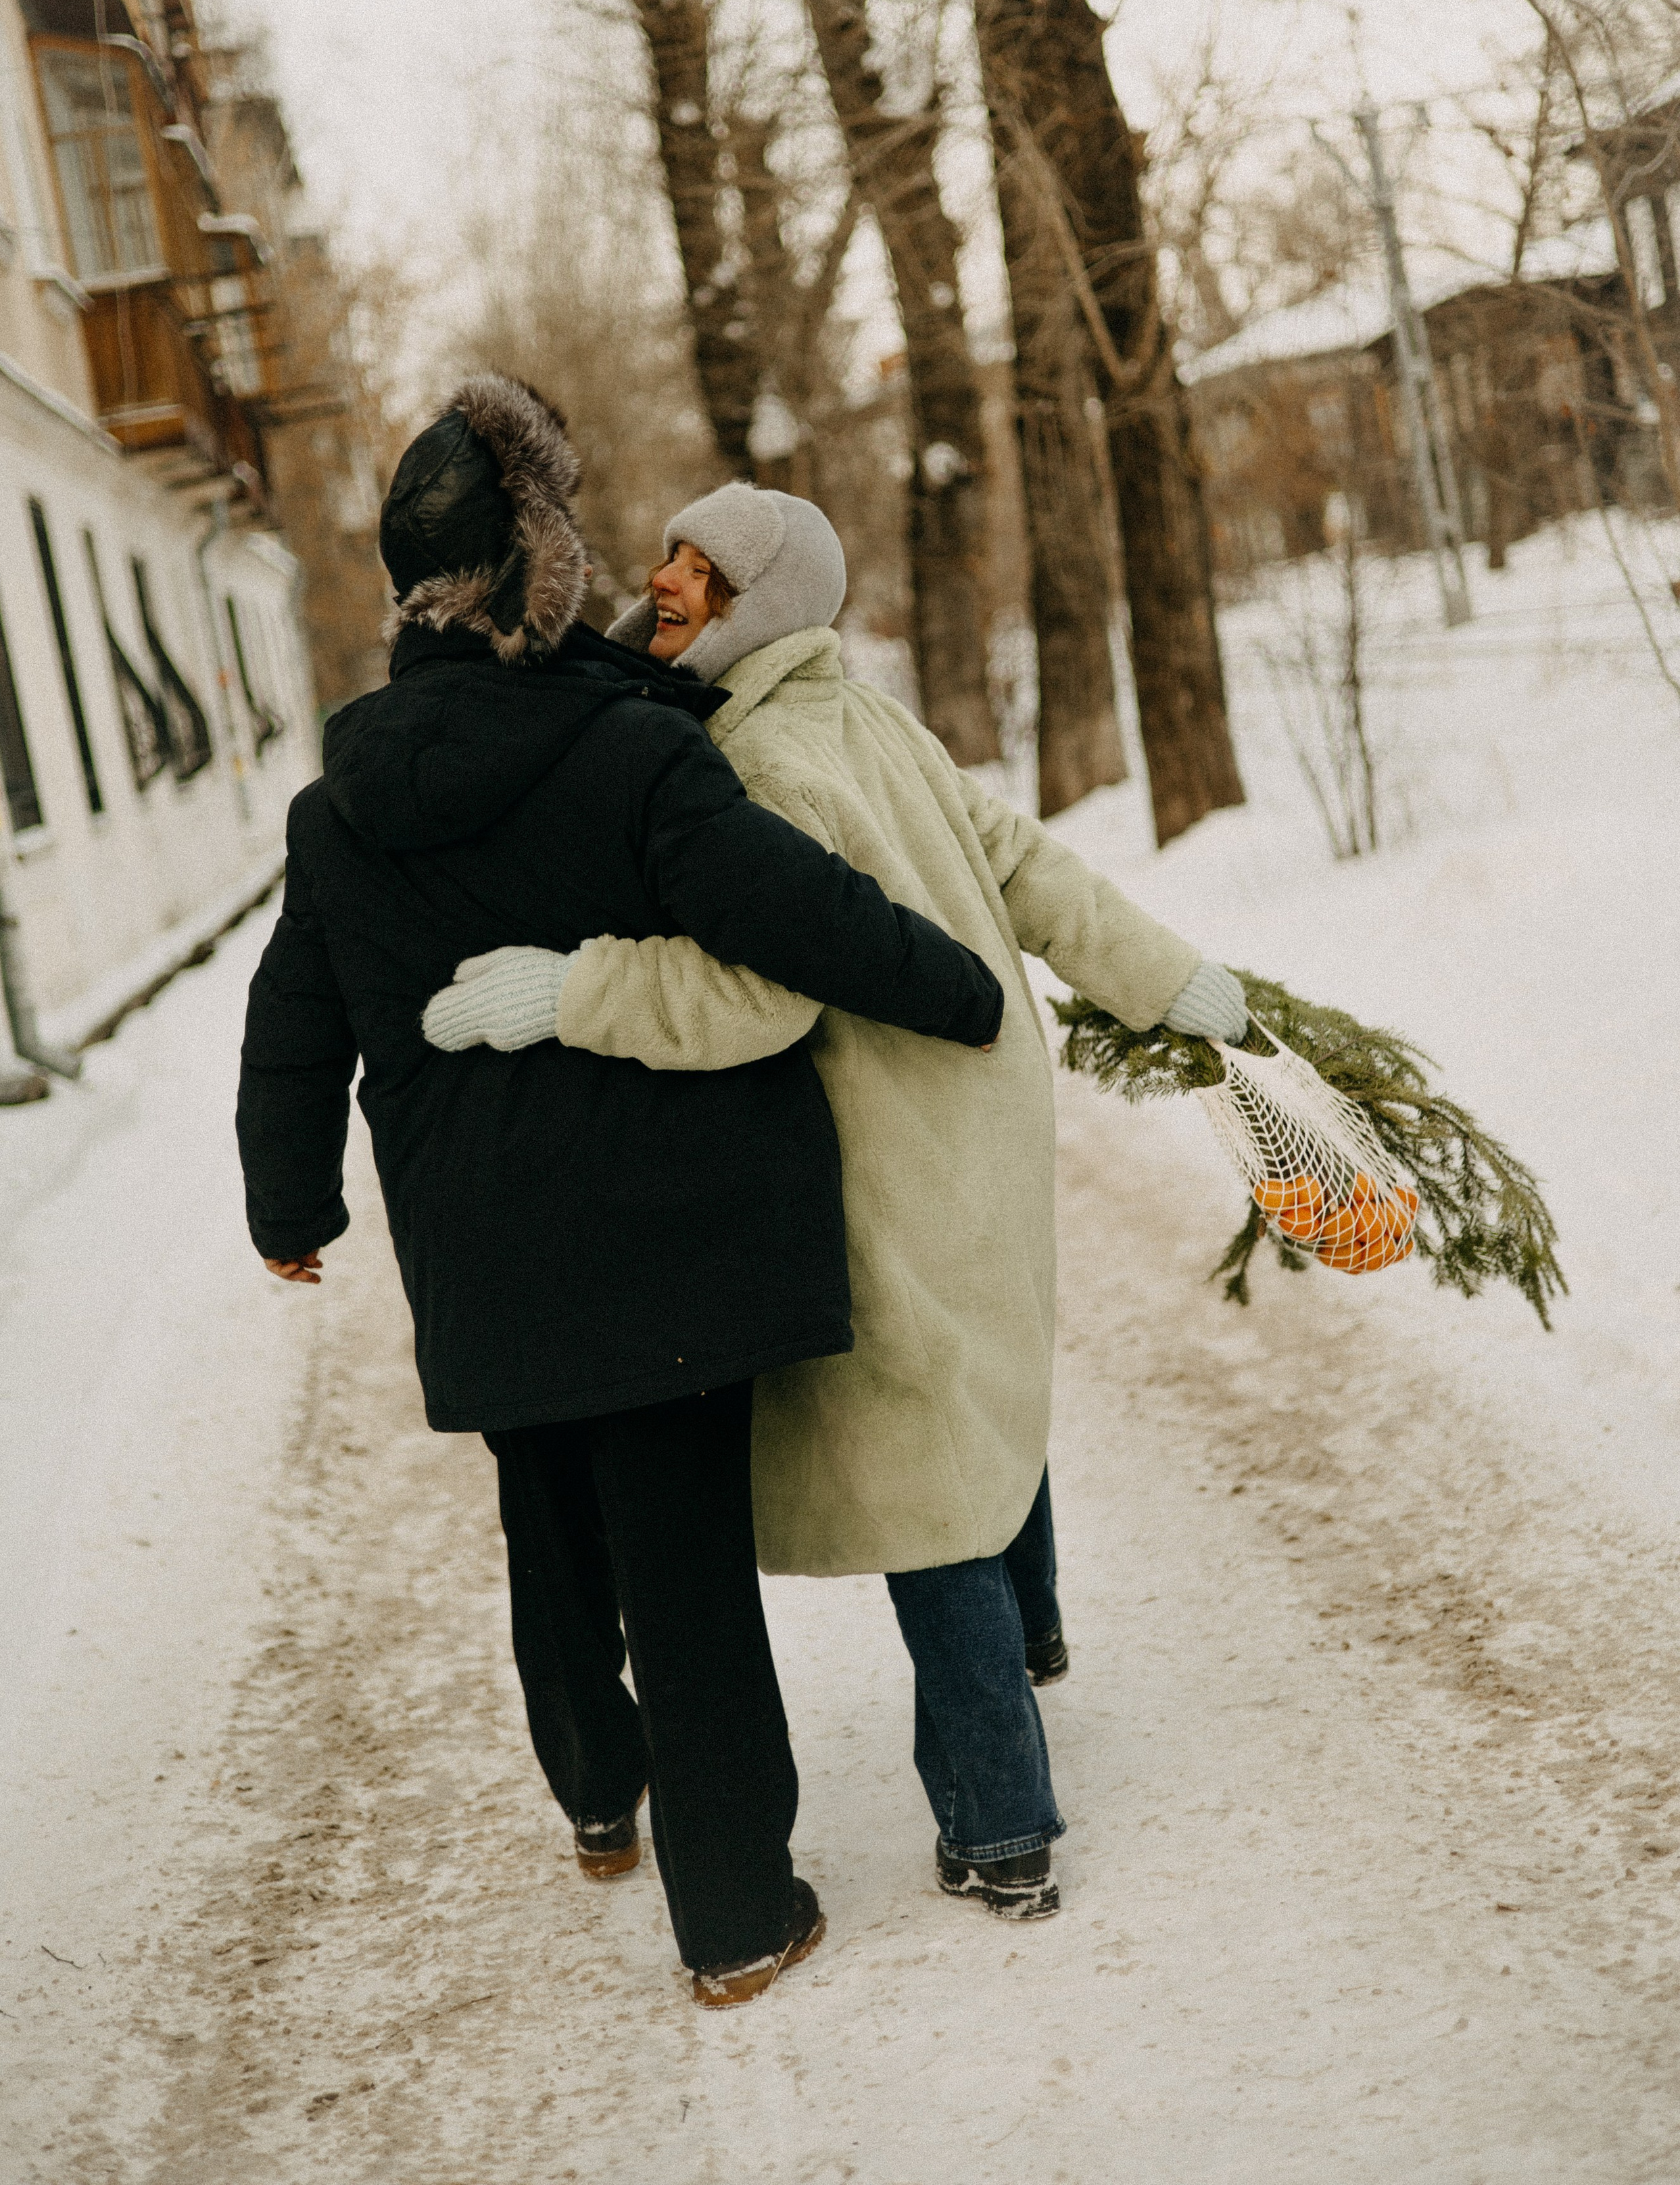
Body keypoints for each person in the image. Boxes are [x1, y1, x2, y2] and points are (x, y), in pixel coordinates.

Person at [235, 383, 1005, 2007]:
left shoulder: (339, 812)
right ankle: (734, 1915)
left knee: (547, 1518)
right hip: (673, 1254)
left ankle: (599, 1796)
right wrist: (954, 988)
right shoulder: (632, 756)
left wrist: (287, 1203)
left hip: (488, 1255)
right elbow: (789, 909)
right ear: (547, 577)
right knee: (686, 1571)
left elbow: (293, 1016)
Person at [423, 481, 1247, 1924]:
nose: (664, 578)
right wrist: (1159, 973)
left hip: (884, 1138)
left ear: (774, 604)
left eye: (704, 571)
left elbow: (752, 992)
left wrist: (575, 990)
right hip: (974, 1113)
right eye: (667, 552)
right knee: (978, 1384)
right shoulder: (867, 717)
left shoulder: (761, 764)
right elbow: (1026, 867)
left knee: (915, 1463)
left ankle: (1001, 1824)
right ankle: (1035, 1628)